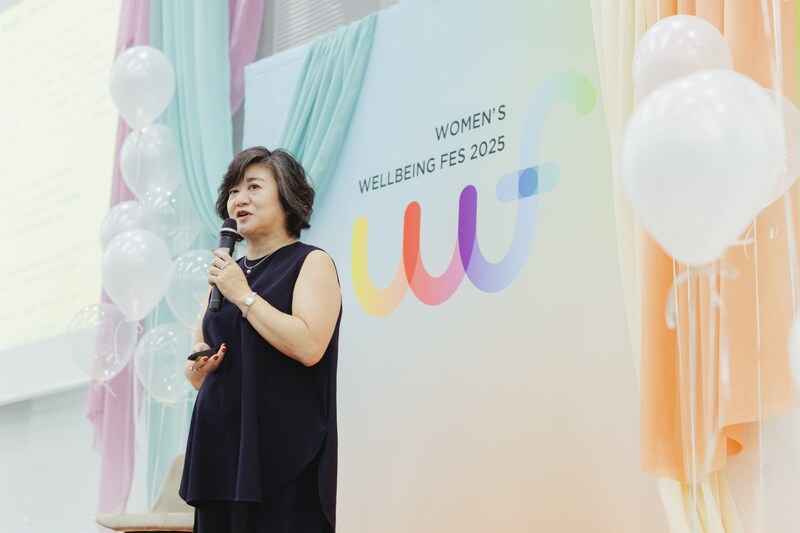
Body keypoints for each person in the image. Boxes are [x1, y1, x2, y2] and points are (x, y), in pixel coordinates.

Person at [178, 146, 342, 533]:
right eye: (234, 191)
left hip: (283, 451)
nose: (240, 199)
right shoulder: (225, 274)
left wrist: (243, 296)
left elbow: (309, 346)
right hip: (220, 453)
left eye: (253, 187)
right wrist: (199, 364)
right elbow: (196, 372)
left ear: (287, 197)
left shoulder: (310, 261)